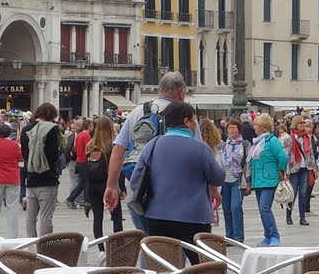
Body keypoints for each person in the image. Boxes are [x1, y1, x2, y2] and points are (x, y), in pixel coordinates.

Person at [105, 71, 188, 231]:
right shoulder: (184, 114)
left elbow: (118, 150)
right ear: (181, 93)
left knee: (148, 241)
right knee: (173, 246)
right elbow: (197, 153)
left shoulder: (138, 111)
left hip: (138, 191)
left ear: (160, 89)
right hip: (173, 192)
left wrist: (112, 186)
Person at [134, 101, 226, 241]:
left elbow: (136, 180)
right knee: (200, 261)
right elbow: (218, 177)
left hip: (158, 216)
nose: (196, 124)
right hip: (194, 218)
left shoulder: (152, 145)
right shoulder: (200, 148)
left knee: (162, 260)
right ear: (186, 121)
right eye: (194, 119)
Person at [20, 104, 65, 235]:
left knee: (30, 218)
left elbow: (24, 153)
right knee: (46, 218)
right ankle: (45, 248)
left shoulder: (26, 129)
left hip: (31, 178)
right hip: (48, 178)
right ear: (51, 115)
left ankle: (31, 245)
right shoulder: (53, 129)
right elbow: (53, 154)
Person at [248, 119, 289, 244]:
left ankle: (274, 235)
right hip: (258, 180)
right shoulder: (257, 142)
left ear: (262, 126)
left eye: (256, 125)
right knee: (262, 210)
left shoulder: (272, 141)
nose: (254, 127)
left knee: (264, 208)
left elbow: (282, 157)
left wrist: (280, 171)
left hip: (269, 179)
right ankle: (267, 235)